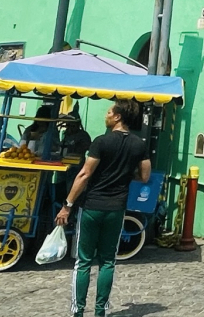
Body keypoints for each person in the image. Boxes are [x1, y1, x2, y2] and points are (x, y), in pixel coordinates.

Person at [56, 100, 150, 317]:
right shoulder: (139, 144)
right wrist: (125, 174)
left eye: (109, 112)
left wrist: (67, 205)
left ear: (117, 117)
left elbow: (84, 174)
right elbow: (144, 176)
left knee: (84, 261)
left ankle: (78, 310)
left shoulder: (101, 142)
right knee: (108, 261)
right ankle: (100, 311)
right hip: (116, 209)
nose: (106, 115)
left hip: (92, 207)